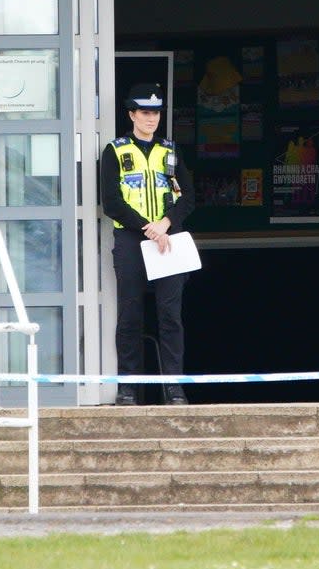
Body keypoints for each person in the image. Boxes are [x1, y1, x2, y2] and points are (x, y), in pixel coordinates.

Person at [100, 83, 195, 406]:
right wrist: (147, 228)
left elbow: (188, 197)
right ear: (132, 115)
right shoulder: (115, 151)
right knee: (130, 315)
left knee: (170, 316)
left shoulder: (169, 151)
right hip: (131, 239)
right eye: (145, 112)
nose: (151, 118)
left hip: (167, 239)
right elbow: (111, 203)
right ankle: (128, 388)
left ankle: (174, 388)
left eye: (155, 113)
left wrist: (165, 224)